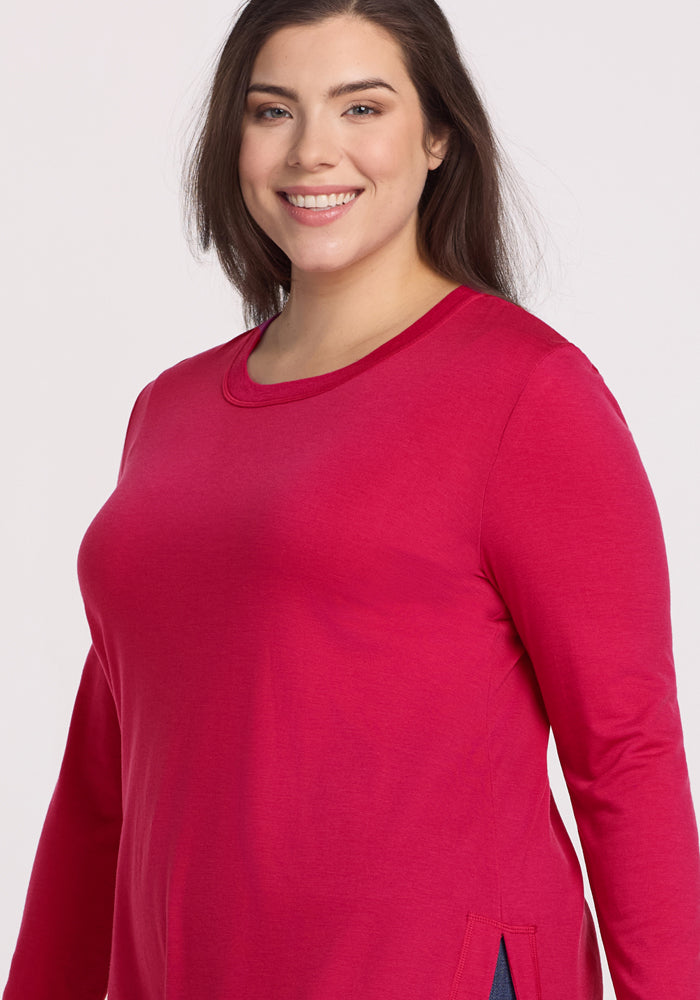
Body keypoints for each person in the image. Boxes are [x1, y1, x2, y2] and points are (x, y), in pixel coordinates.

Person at [3, 0, 699, 997]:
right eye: (272, 111)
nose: (312, 151)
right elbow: (99, 781)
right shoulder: (170, 409)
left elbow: (624, 751)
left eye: (361, 107)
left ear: (436, 137)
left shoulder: (524, 393)